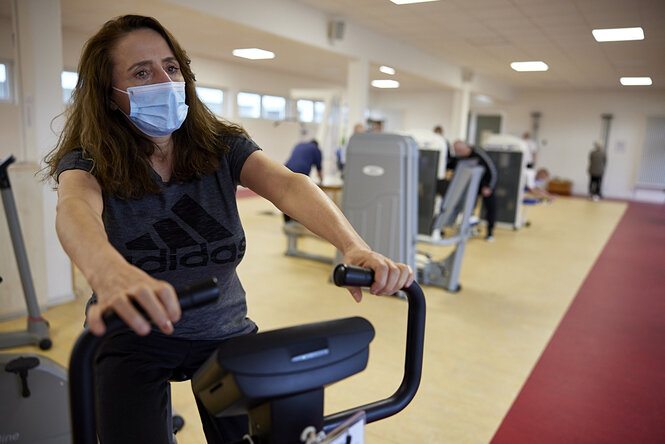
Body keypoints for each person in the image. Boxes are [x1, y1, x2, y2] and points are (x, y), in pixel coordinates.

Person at [43, 15, 413, 444]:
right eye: (141, 72)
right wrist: (108, 274)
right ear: (111, 97)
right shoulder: (89, 160)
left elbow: (289, 185)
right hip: (134, 332)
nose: (164, 79)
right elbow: (74, 209)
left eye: (171, 66)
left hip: (221, 330)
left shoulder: (219, 144)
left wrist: (353, 245)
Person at [448, 140, 498, 241]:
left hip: (485, 185)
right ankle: (464, 229)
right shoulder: (458, 157)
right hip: (470, 187)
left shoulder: (478, 154)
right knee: (466, 207)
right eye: (456, 151)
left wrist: (489, 187)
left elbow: (492, 171)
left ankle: (490, 232)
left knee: (490, 208)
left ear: (466, 148)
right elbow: (450, 166)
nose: (458, 153)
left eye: (459, 151)